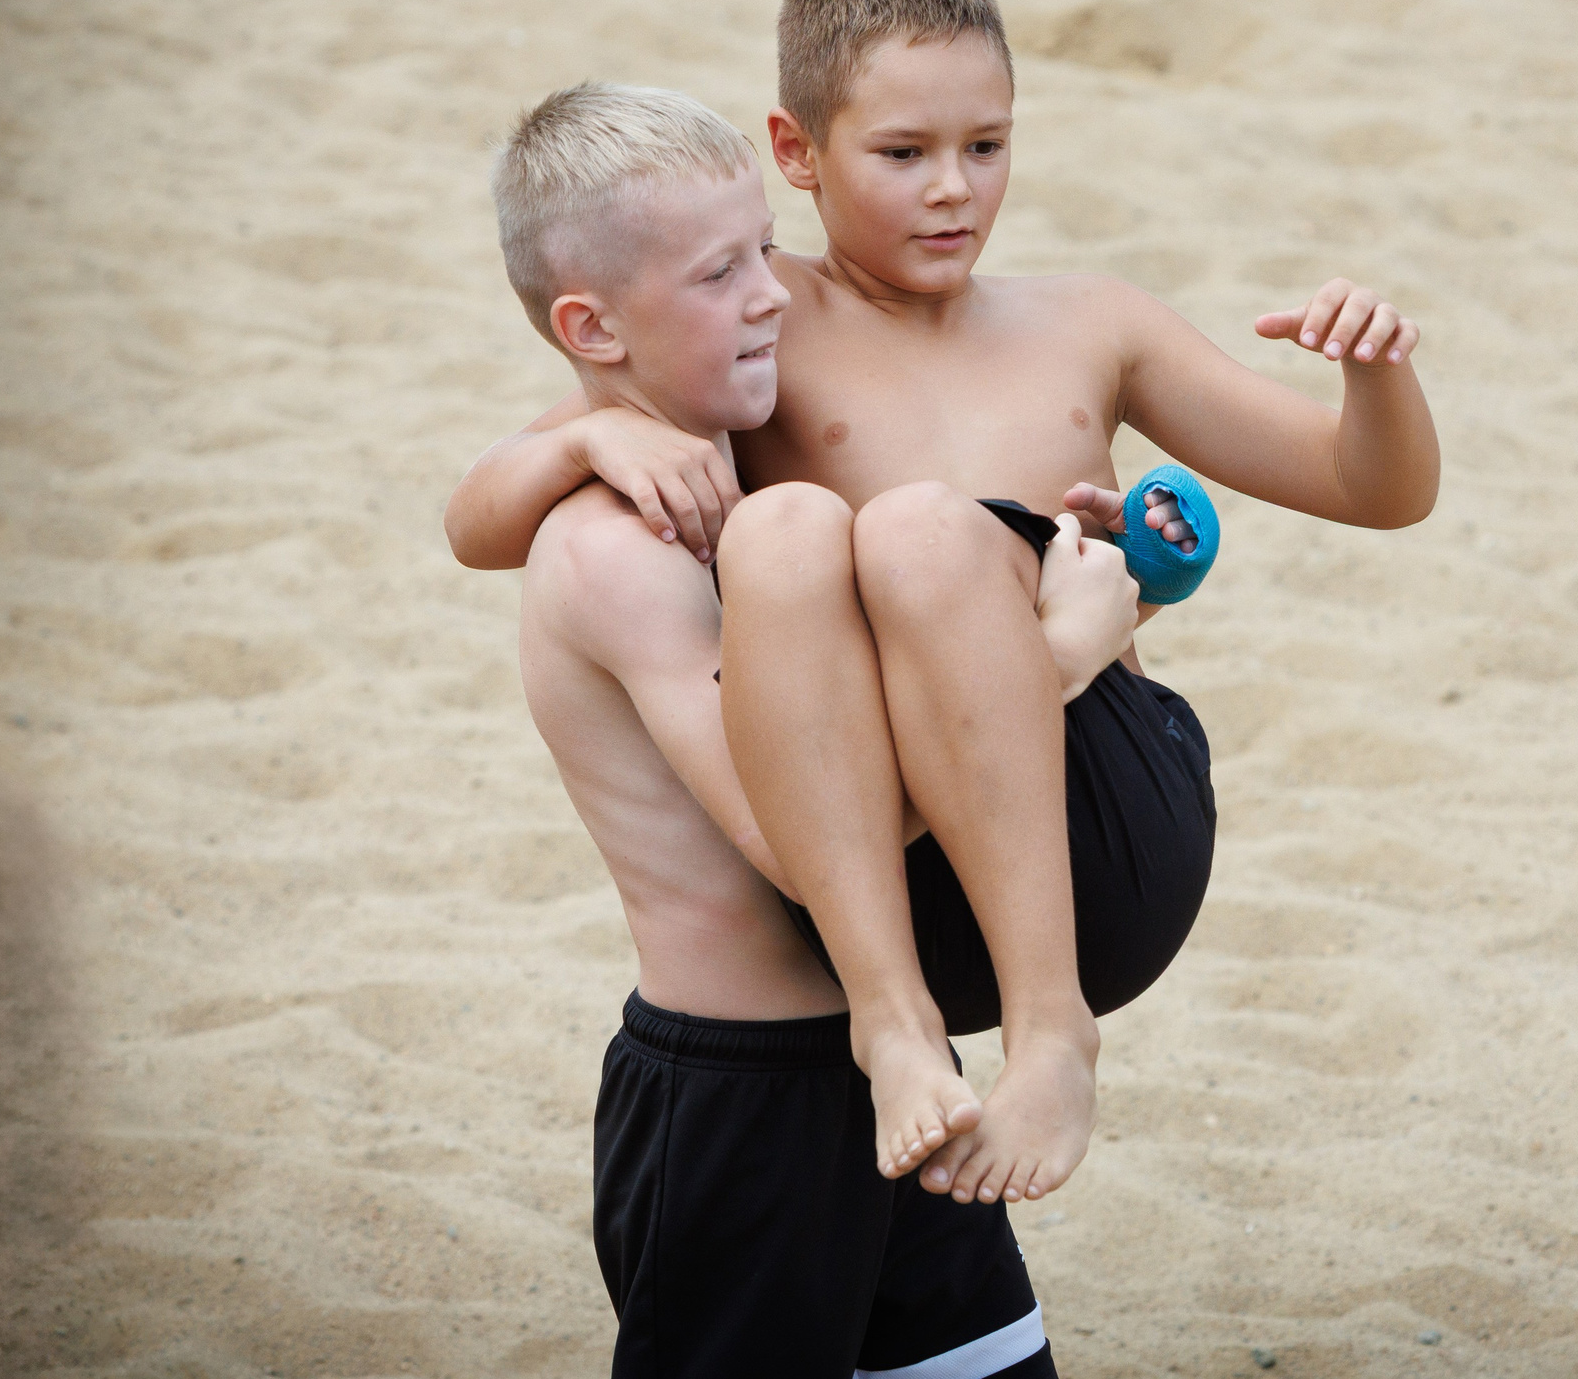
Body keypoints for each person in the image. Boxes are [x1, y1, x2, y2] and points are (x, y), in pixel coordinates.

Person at [447, 0, 1441, 1216]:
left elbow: (1376, 491)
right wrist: (590, 430)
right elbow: (478, 522)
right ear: (797, 155)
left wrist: (1375, 375)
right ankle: (892, 1021)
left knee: (922, 529)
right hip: (882, 854)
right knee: (815, 532)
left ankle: (1051, 1029)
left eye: (988, 145)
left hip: (1095, 819)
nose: (952, 191)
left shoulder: (1094, 323)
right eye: (902, 154)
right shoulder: (754, 319)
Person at [475, 83, 1134, 1373]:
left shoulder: (725, 460)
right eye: (722, 273)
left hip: (895, 1074)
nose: (774, 291)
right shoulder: (617, 554)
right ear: (591, 325)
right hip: (742, 1101)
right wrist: (1054, 656)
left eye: (763, 249)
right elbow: (802, 836)